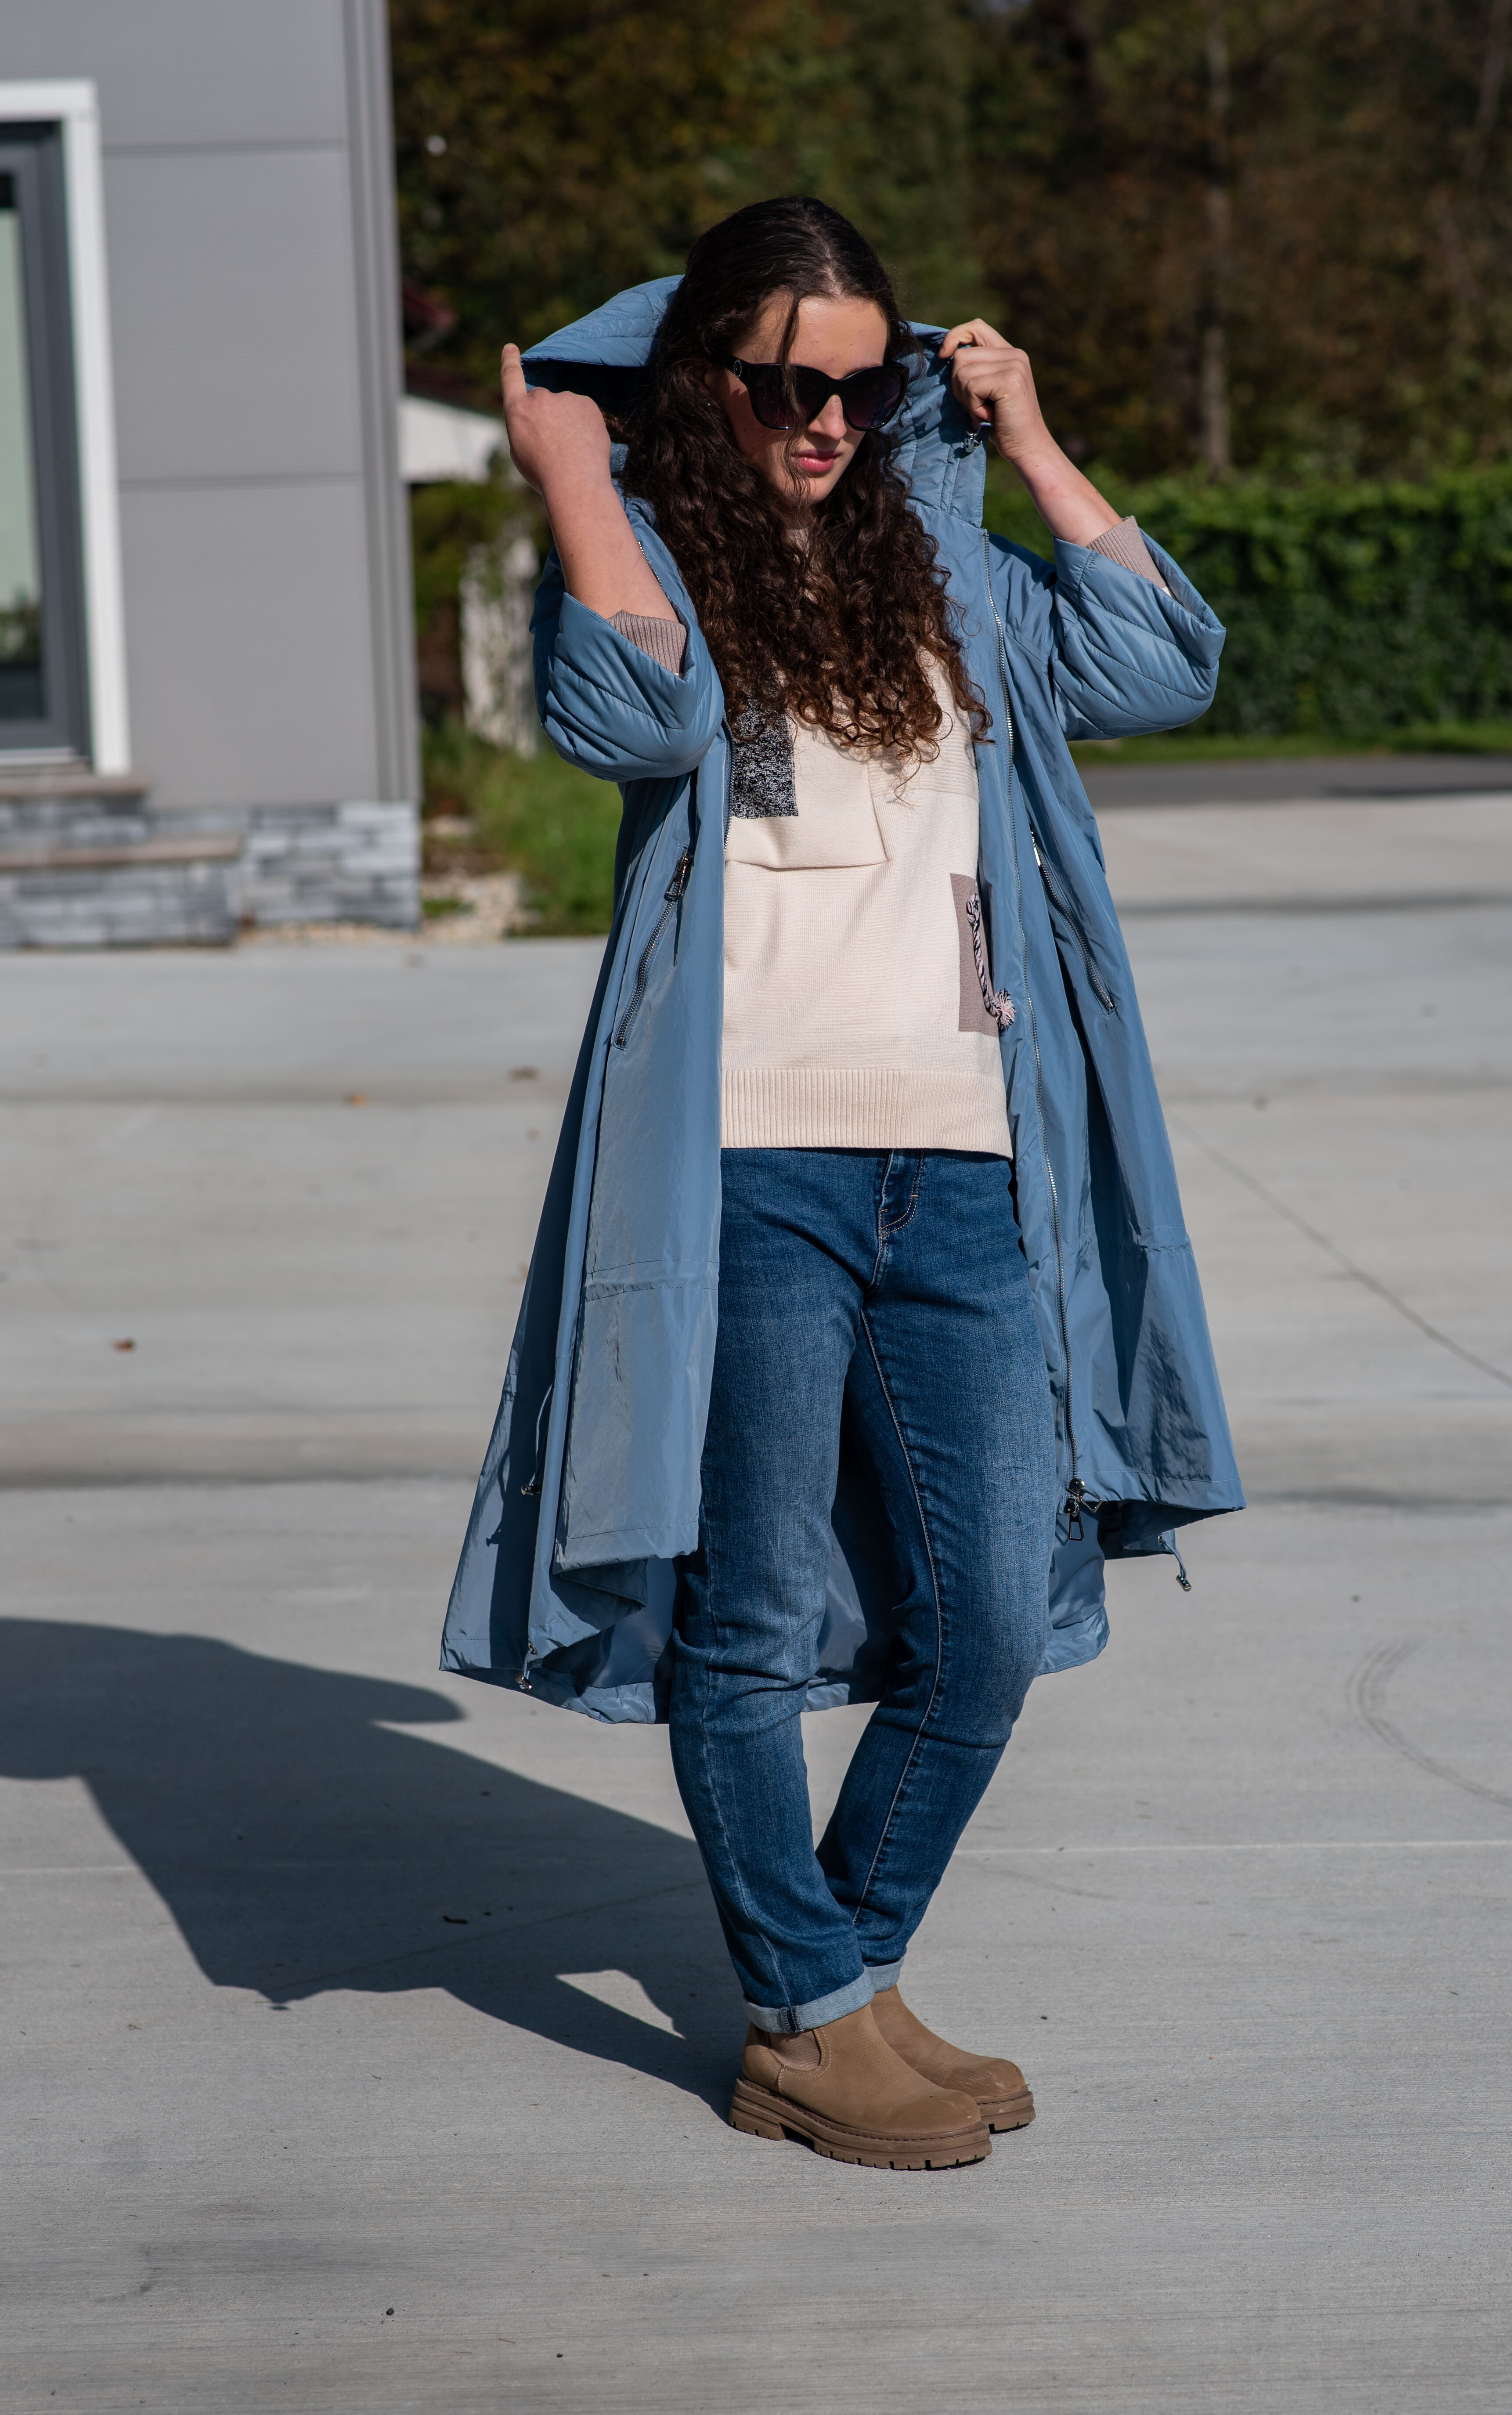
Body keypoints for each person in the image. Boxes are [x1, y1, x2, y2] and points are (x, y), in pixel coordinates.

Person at [440, 197, 1242, 2170]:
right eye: (787, 383)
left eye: (864, 387)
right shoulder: (656, 561)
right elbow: (626, 713)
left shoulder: (948, 574)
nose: (825, 421)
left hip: (960, 1158)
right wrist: (572, 474)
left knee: (989, 1620)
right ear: (706, 375)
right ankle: (810, 2015)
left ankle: (843, 1982)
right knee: (748, 1623)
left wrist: (1026, 436)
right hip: (747, 1171)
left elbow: (1162, 661)